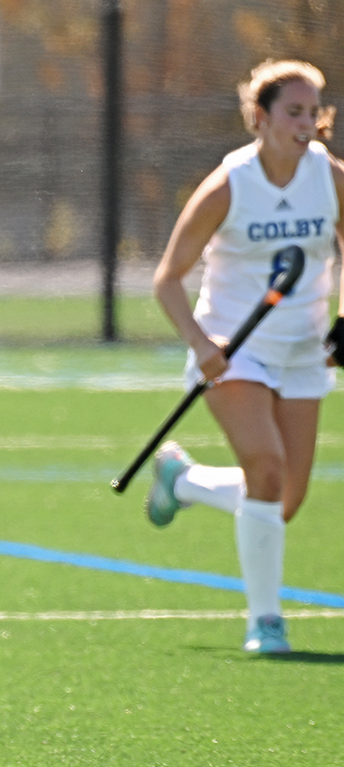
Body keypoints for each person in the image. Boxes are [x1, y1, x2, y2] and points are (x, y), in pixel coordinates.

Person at [148, 59, 344, 655]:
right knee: (266, 468)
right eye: (293, 112)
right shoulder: (229, 185)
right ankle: (266, 621)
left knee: (285, 498)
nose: (306, 124)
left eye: (314, 113)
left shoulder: (331, 177)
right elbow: (168, 279)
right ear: (260, 116)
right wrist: (202, 346)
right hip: (235, 352)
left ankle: (182, 481)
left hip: (303, 349)